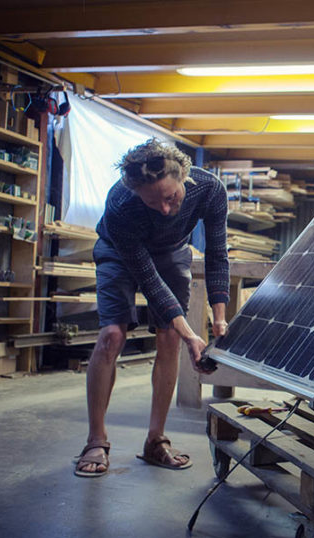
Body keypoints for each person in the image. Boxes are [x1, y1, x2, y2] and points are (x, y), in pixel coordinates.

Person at [75, 139, 229, 477]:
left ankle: (155, 440)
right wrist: (192, 335)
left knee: (168, 337)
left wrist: (219, 319)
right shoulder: (121, 204)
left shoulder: (210, 189)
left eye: (171, 197)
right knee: (112, 335)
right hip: (120, 251)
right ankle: (95, 439)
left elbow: (217, 252)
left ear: (185, 177)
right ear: (136, 194)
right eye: (151, 201)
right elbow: (150, 282)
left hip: (172, 250)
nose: (163, 209)